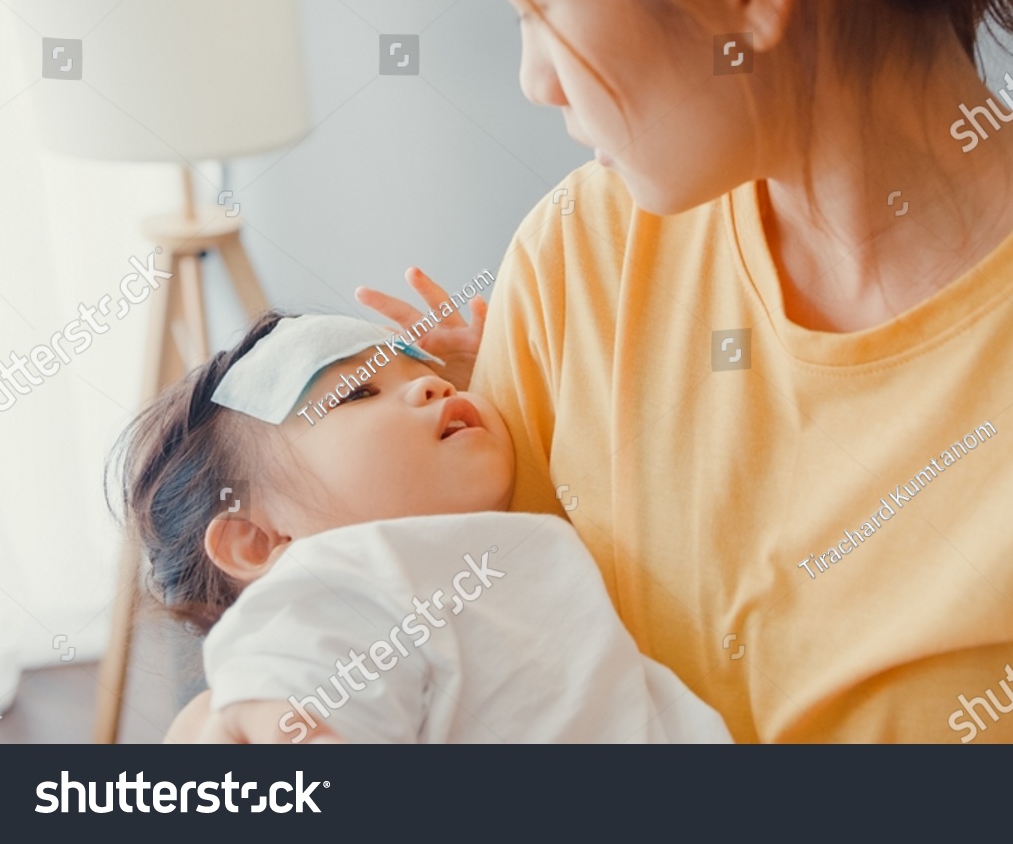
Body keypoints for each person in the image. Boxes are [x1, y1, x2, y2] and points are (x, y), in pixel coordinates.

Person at [201, 0, 1013, 743]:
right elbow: (436, 639)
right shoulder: (577, 257)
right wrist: (229, 720)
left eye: (536, 7)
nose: (534, 80)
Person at [115, 312, 732, 743]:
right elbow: (287, 684)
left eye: (427, 370)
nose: (434, 383)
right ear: (262, 540)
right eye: (358, 393)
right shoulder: (336, 577)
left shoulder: (513, 544)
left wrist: (503, 375)